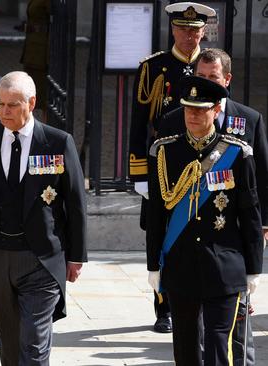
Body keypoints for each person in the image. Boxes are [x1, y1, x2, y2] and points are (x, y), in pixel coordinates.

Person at [0, 71, 87, 365]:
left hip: (42, 256)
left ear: (31, 103)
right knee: (9, 342)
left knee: (33, 344)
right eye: (0, 105)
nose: (4, 112)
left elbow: (75, 201)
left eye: (13, 105)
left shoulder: (58, 142)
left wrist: (76, 256)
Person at [158, 48, 268, 366]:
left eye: (212, 77)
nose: (206, 82)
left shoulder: (247, 119)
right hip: (185, 240)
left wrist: (261, 230)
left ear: (226, 81)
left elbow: (260, 178)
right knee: (190, 337)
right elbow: (161, 180)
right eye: (200, 77)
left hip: (227, 240)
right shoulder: (172, 121)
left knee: (231, 329)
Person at [127, 1, 216, 334]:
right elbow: (139, 123)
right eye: (183, 29)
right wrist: (138, 172)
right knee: (162, 236)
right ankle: (163, 307)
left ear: (203, 32)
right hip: (164, 166)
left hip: (203, 164)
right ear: (173, 30)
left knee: (200, 232)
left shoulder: (211, 67)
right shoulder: (155, 68)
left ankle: (199, 299)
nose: (189, 36)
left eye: (194, 31)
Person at [20, 0, 50, 116]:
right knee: (28, 95)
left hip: (42, 54)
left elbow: (56, 21)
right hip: (32, 51)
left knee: (44, 100)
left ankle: (46, 131)